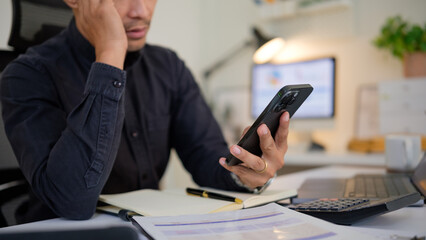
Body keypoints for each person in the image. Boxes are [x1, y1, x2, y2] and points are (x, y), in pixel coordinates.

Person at [0, 0, 290, 224]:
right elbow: (72, 201)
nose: (141, 11)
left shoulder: (168, 67)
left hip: (143, 230)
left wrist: (244, 173)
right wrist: (112, 51)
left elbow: (207, 157)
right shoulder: (27, 74)